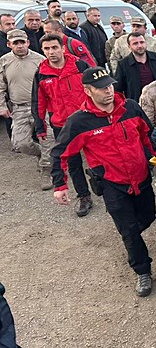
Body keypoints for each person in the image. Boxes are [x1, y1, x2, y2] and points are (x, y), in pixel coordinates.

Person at [51, 67, 156, 297]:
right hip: (112, 183)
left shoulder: (130, 107)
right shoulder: (79, 122)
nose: (108, 91)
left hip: (141, 177)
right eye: (101, 88)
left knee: (148, 217)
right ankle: (142, 269)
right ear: (88, 91)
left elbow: (146, 134)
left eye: (109, 85)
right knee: (129, 230)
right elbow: (60, 153)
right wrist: (60, 186)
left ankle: (131, 237)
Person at [33, 34, 93, 215]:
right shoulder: (41, 73)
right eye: (47, 49)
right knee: (73, 162)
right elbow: (38, 102)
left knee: (99, 156)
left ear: (62, 48)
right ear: (42, 51)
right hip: (62, 125)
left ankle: (107, 186)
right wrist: (40, 126)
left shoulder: (80, 66)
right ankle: (84, 196)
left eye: (54, 47)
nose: (51, 52)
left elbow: (95, 88)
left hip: (86, 120)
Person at [0, 30, 49, 188]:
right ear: (9, 45)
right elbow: (0, 86)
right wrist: (1, 106)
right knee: (20, 144)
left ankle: (47, 170)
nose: (20, 46)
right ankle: (42, 154)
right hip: (19, 108)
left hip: (41, 106)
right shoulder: (4, 61)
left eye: (22, 42)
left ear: (28, 42)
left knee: (48, 139)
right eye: (16, 43)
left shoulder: (40, 60)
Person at [114, 33, 156, 101]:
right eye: (135, 43)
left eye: (142, 42)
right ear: (129, 47)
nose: (139, 46)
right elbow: (118, 88)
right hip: (137, 102)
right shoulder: (123, 64)